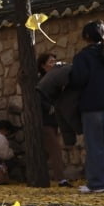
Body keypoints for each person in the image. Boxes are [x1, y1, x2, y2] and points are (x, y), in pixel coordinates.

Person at [70, 20, 104, 193]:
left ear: (86, 36)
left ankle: (97, 183)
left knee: (95, 145)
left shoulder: (83, 57)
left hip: (92, 105)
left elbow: (78, 80)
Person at [36, 52, 71, 187]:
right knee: (55, 149)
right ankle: (61, 179)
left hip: (54, 120)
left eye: (55, 61)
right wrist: (49, 107)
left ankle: (38, 176)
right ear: (43, 66)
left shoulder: (55, 80)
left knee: (47, 151)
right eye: (51, 62)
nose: (54, 64)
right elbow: (37, 98)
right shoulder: (40, 81)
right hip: (45, 120)